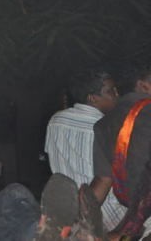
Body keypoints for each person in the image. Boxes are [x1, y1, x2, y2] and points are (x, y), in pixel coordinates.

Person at [45, 69, 124, 230]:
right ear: (92, 98)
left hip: (70, 210)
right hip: (105, 212)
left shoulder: (56, 121)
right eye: (111, 91)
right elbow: (106, 179)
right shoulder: (108, 127)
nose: (117, 95)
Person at [91, 64, 151, 240]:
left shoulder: (103, 125)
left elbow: (103, 180)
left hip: (134, 216)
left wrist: (76, 220)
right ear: (143, 85)